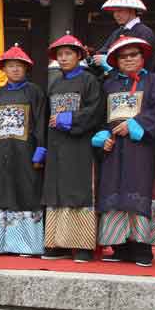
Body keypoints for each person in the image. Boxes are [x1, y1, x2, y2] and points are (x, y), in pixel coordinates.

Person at [92, 36, 155, 267]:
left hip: (141, 148)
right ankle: (120, 246)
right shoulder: (108, 84)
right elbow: (100, 116)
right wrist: (103, 136)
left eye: (133, 55)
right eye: (123, 56)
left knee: (141, 190)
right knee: (113, 191)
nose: (128, 59)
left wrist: (136, 125)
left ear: (142, 57)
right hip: (114, 150)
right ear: (115, 60)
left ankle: (142, 248)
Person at [40, 34, 105, 262]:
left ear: (79, 56)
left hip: (80, 145)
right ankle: (57, 244)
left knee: (79, 191)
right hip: (57, 144)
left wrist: (67, 118)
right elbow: (47, 117)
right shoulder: (55, 83)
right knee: (56, 191)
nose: (64, 58)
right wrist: (44, 147)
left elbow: (95, 111)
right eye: (60, 55)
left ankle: (83, 245)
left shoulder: (90, 81)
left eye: (68, 54)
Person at [0, 44, 47, 257]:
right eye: (11, 66)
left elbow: (41, 122)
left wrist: (40, 150)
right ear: (4, 69)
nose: (14, 70)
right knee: (3, 193)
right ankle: (0, 245)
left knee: (27, 192)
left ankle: (29, 246)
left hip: (26, 152)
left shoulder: (34, 92)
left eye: (19, 66)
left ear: (26, 69)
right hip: (2, 152)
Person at [94, 0, 155, 69]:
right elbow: (104, 51)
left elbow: (146, 60)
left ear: (131, 10)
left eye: (119, 11)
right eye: (114, 12)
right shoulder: (117, 32)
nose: (116, 15)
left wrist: (107, 61)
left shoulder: (145, 32)